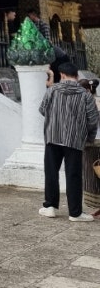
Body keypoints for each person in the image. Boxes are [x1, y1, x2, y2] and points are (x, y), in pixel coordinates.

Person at [39, 62, 98, 222]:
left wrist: (55, 118)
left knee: (51, 172)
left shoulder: (52, 91)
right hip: (74, 140)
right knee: (74, 175)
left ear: (62, 75)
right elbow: (93, 120)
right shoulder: (85, 95)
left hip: (53, 137)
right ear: (77, 76)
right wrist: (89, 138)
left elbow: (42, 109)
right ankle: (75, 213)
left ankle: (50, 207)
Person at [79, 79, 100, 218]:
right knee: (95, 176)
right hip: (91, 145)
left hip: (92, 144)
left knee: (94, 177)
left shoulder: (89, 103)